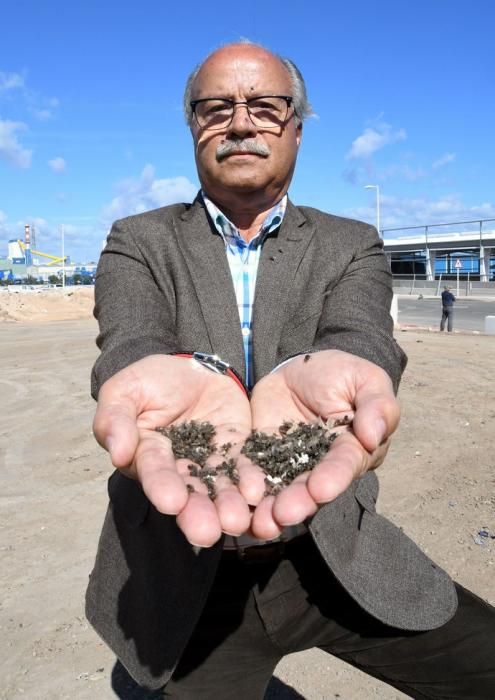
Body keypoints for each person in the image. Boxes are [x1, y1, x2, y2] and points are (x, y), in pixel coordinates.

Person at [86, 42, 495, 698]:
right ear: (193, 125)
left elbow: (360, 331)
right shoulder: (138, 238)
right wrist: (150, 377)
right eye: (216, 108)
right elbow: (129, 339)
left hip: (332, 554)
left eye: (265, 108)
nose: (241, 124)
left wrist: (357, 367)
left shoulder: (350, 240)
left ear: (297, 127)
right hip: (186, 576)